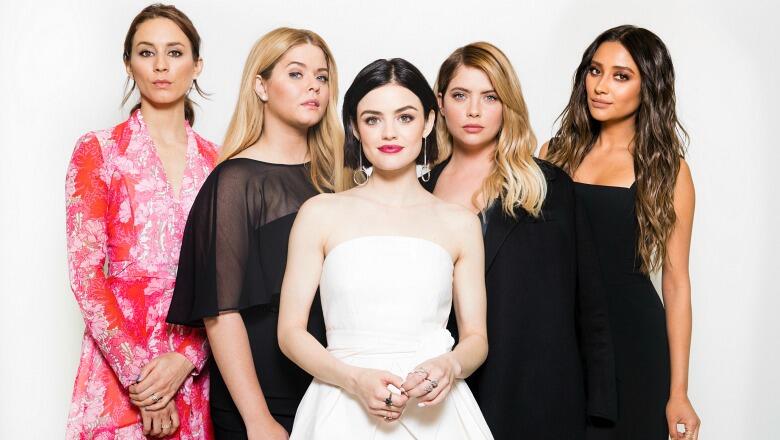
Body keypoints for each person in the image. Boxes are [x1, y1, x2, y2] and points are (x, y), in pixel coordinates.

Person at [277, 58, 494, 439]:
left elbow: (476, 338)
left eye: (405, 117)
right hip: (340, 406)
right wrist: (353, 379)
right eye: (373, 119)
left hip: (435, 411)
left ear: (428, 122)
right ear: (355, 128)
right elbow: (290, 332)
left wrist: (450, 366)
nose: (389, 132)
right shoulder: (320, 214)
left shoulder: (460, 223)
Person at [424, 41, 616, 439]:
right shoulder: (419, 191)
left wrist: (600, 415)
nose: (474, 111)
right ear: (440, 103)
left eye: (490, 97)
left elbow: (590, 307)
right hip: (444, 397)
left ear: (507, 104)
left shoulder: (549, 187)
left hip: (539, 398)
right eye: (460, 96)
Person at [166, 28, 343, 439]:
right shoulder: (233, 181)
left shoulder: (342, 179)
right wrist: (257, 418)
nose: (313, 86)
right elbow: (221, 314)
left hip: (333, 391)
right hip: (263, 399)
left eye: (321, 76)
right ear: (261, 87)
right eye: (296, 74)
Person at [541, 25, 701, 440]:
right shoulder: (552, 155)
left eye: (621, 76)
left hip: (632, 344)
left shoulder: (668, 171)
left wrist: (679, 393)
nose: (601, 86)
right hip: (562, 337)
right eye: (595, 71)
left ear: (649, 88)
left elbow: (676, 282)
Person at [65, 4, 216, 438]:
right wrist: (142, 382)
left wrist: (187, 358)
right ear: (128, 63)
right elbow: (85, 276)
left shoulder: (220, 162)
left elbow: (228, 279)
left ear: (197, 64)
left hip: (195, 367)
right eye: (147, 52)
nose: (161, 65)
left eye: (175, 52)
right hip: (118, 370)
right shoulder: (99, 150)